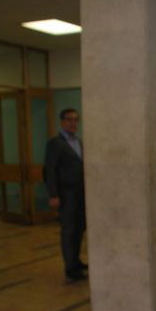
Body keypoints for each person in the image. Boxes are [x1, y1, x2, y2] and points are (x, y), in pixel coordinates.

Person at [44, 108, 87, 283]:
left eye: (76, 120)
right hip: (65, 194)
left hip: (81, 194)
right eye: (69, 119)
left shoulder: (79, 142)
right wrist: (53, 194)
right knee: (68, 231)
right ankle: (70, 269)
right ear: (62, 122)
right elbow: (50, 170)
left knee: (79, 229)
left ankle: (76, 261)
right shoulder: (55, 143)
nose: (73, 123)